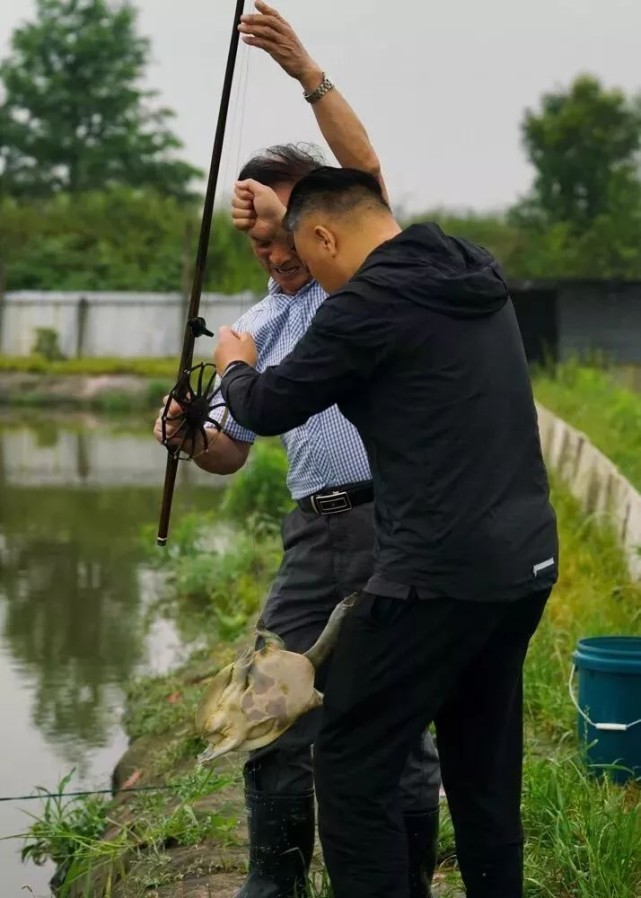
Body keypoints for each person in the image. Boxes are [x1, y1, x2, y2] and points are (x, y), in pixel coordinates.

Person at [153, 4, 441, 897]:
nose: (266, 249)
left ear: (315, 222)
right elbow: (230, 452)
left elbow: (363, 177)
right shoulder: (259, 323)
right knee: (271, 705)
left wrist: (301, 69)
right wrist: (189, 438)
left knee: (390, 714)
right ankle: (271, 881)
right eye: (250, 239)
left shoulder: (355, 280)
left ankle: (404, 878)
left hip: (394, 523)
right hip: (312, 537)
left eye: (276, 231)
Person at [212, 166, 559, 898]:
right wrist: (286, 213)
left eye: (310, 257)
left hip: (432, 575)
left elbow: (270, 404)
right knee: (481, 769)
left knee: (350, 761)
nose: (312, 279)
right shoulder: (467, 268)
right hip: (523, 564)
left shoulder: (365, 301)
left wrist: (233, 364)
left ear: (325, 237)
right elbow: (350, 186)